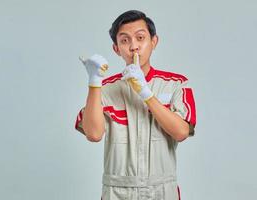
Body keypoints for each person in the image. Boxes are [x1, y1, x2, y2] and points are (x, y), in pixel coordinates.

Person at [75, 10, 196, 200]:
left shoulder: (176, 84)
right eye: (124, 41)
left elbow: (181, 132)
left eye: (140, 38)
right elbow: (94, 134)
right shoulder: (105, 89)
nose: (134, 47)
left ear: (154, 42)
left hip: (162, 191)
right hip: (117, 192)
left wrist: (146, 93)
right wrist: (94, 82)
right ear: (116, 49)